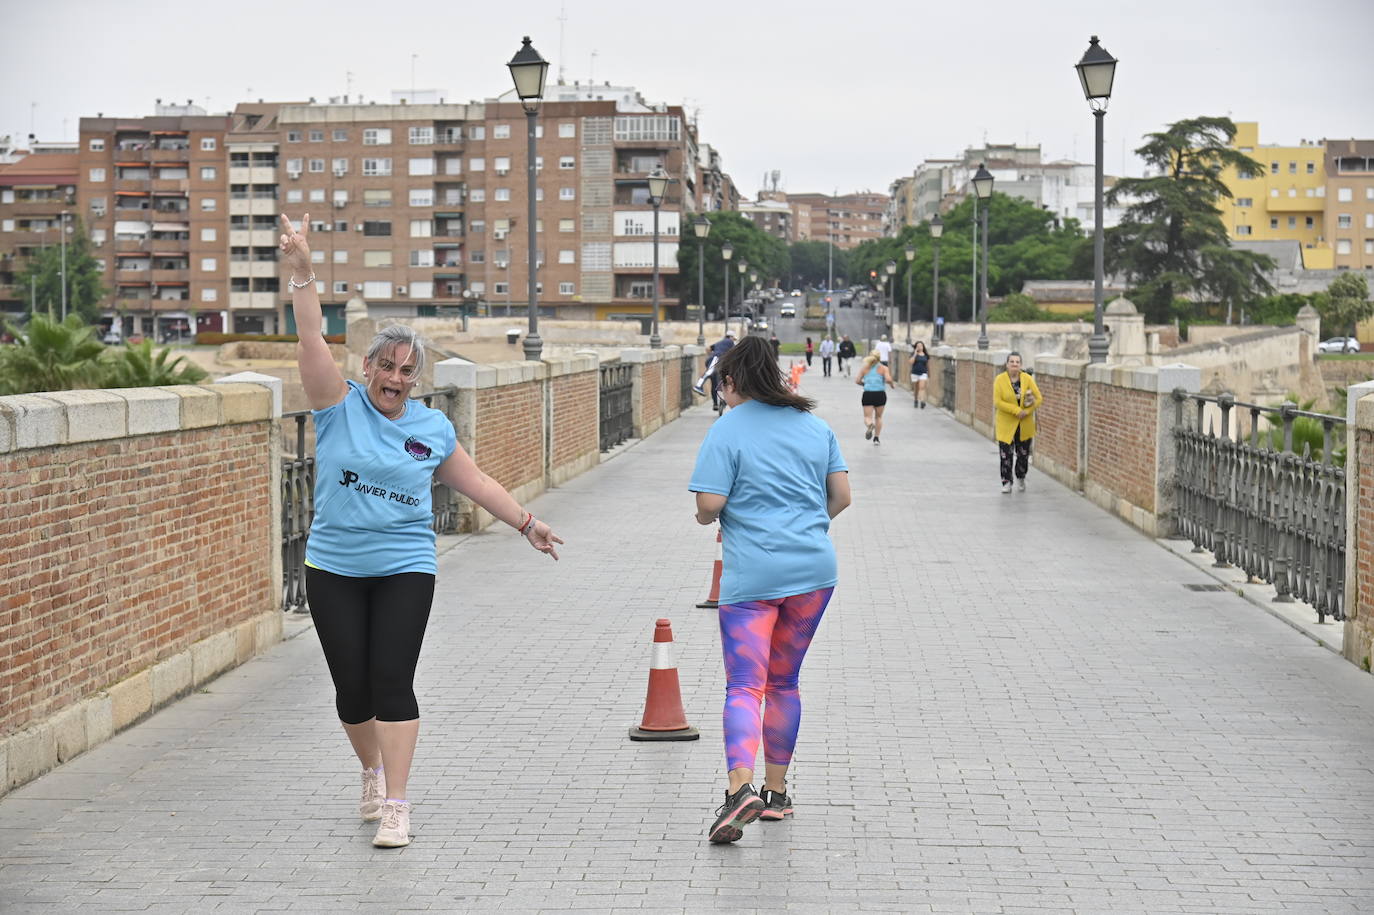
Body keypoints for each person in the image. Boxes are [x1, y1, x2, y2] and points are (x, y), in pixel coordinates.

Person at [278, 213, 564, 849]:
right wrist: (303, 272)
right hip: (332, 566)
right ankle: (372, 773)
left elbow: (477, 482)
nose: (397, 378)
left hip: (406, 564)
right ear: (368, 366)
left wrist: (528, 523)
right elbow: (309, 342)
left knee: (391, 678)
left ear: (417, 379)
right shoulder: (335, 406)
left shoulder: (431, 428)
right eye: (387, 365)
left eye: (408, 370)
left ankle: (398, 806)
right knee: (351, 687)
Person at [688, 336, 851, 844]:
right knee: (784, 683)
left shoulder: (728, 428)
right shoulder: (815, 426)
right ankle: (777, 795)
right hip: (812, 575)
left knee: (744, 685)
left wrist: (704, 513)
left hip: (753, 579)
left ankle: (741, 790)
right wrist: (804, 529)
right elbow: (841, 497)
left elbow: (710, 502)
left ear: (731, 381)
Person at [993, 351, 1043, 493]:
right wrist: (1016, 410)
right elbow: (997, 402)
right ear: (1007, 364)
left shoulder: (1027, 379)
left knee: (1023, 455)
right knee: (1005, 455)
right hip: (1006, 423)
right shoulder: (1000, 380)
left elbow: (1039, 398)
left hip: (1024, 423)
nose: (1015, 364)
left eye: (1017, 362)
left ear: (1020, 364)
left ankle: (1021, 476)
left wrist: (1027, 411)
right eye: (1012, 362)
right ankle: (1006, 481)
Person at [855, 351, 895, 444]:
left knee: (867, 417)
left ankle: (870, 425)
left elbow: (857, 381)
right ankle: (876, 438)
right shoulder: (884, 368)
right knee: (879, 417)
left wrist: (865, 384)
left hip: (868, 394)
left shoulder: (865, 368)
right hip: (880, 394)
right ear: (879, 358)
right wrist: (892, 384)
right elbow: (888, 379)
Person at [693, 331, 736, 402]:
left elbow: (708, 349)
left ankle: (718, 402)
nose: (733, 340)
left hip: (715, 358)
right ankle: (698, 386)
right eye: (733, 338)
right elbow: (734, 352)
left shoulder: (720, 342)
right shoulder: (730, 342)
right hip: (716, 358)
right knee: (709, 372)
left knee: (714, 379)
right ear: (731, 337)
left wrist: (710, 355)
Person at [910, 340, 930, 409]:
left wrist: (929, 374)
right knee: (916, 389)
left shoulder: (926, 355)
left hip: (923, 373)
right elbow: (911, 362)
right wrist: (915, 354)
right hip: (915, 373)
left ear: (923, 346)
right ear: (916, 347)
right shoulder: (913, 354)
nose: (920, 347)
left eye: (921, 346)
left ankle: (922, 401)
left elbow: (927, 365)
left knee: (922, 387)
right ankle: (915, 400)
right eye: (918, 346)